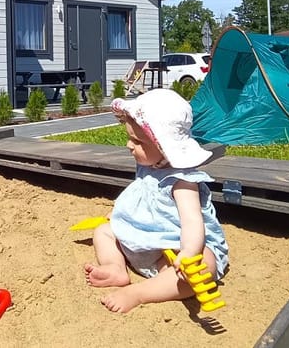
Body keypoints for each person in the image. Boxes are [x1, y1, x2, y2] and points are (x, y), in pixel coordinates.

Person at [83, 88, 229, 313]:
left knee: (203, 266)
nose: (129, 145)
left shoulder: (183, 181)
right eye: (130, 138)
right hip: (143, 238)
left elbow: (192, 221)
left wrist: (189, 252)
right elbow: (142, 196)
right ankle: (114, 267)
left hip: (170, 250)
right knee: (103, 231)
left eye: (137, 141)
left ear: (163, 146)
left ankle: (140, 292)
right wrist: (121, 214)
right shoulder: (148, 165)